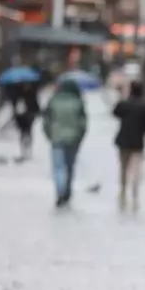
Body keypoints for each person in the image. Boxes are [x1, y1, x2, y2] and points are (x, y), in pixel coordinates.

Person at [113, 81, 145, 211]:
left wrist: (122, 97)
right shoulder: (143, 107)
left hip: (123, 142)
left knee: (123, 167)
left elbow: (115, 111)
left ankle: (122, 189)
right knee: (136, 169)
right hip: (137, 143)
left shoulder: (125, 104)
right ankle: (134, 191)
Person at [43, 79, 87, 207]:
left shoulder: (54, 101)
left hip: (56, 138)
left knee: (57, 167)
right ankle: (67, 191)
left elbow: (46, 120)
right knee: (69, 166)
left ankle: (60, 191)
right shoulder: (78, 102)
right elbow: (83, 123)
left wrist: (49, 134)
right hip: (73, 139)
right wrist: (80, 137)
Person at [10, 81, 40, 159]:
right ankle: (24, 149)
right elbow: (14, 104)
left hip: (29, 115)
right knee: (23, 132)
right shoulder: (18, 93)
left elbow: (35, 104)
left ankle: (28, 148)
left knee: (28, 131)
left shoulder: (31, 92)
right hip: (21, 116)